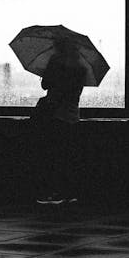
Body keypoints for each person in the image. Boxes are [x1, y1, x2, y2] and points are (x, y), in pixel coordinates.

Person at [30, 38, 88, 204]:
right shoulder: (80, 69)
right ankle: (68, 192)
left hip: (54, 115)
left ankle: (52, 191)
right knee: (67, 156)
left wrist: (49, 68)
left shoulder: (57, 65)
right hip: (72, 115)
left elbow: (46, 85)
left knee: (52, 155)